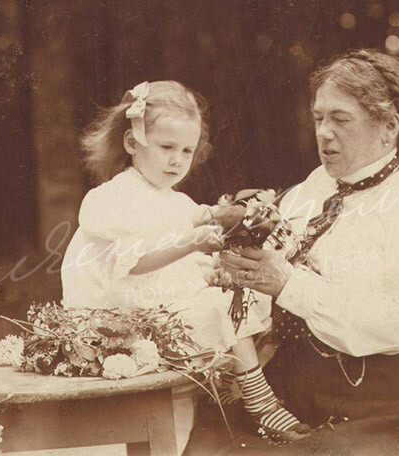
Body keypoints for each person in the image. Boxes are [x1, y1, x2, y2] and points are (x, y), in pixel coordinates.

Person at [200, 50, 399, 456]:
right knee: (200, 442)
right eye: (318, 118)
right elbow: (262, 288)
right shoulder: (311, 189)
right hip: (293, 394)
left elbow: (394, 326)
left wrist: (287, 283)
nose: (324, 132)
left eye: (341, 119)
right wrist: (236, 272)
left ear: (388, 127)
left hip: (387, 406)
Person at [60, 80, 310, 454]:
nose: (176, 160)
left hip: (155, 303)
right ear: (132, 143)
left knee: (240, 295)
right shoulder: (112, 199)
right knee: (213, 307)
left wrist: (217, 267)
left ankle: (234, 386)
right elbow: (135, 264)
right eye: (166, 147)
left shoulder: (179, 203)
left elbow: (190, 266)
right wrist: (192, 242)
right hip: (117, 312)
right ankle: (259, 400)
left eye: (187, 151)